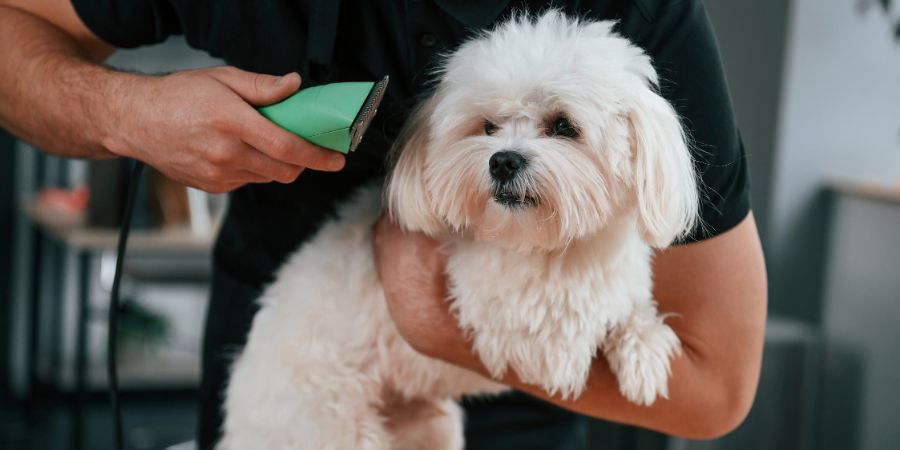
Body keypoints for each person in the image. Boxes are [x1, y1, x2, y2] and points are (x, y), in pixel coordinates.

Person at [0, 0, 767, 449]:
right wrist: (132, 112)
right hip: (298, 353)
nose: (510, 153)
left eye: (560, 127)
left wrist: (432, 320)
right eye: (491, 125)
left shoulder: (640, 23)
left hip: (556, 419)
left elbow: (719, 383)